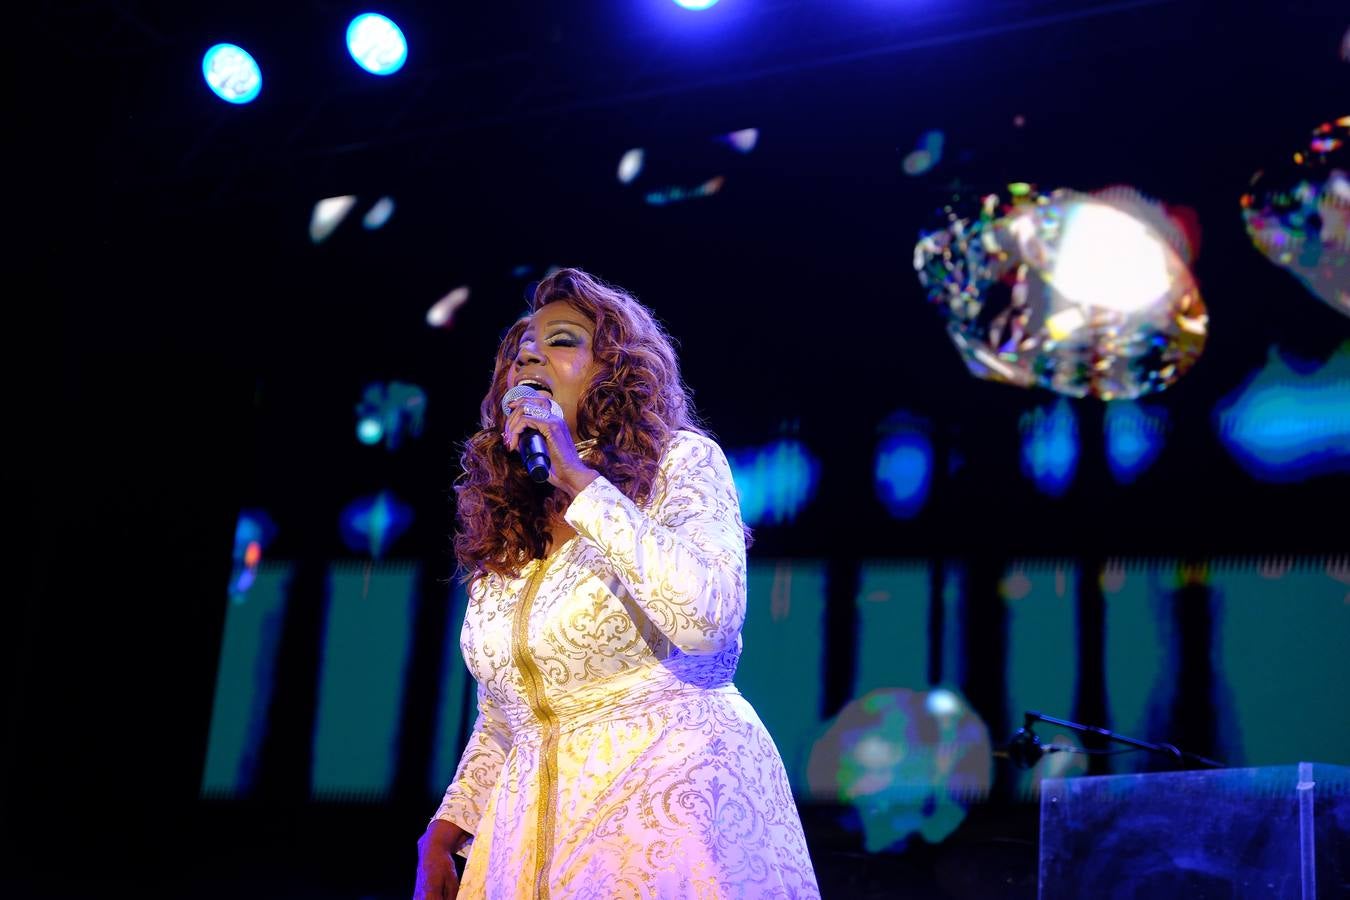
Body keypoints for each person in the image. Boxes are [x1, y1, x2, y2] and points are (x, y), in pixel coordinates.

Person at [414, 268, 820, 899]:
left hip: (666, 808)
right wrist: (449, 827)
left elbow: (707, 620)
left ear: (616, 371)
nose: (530, 354)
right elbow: (508, 711)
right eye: (520, 350)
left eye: (563, 340)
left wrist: (579, 479)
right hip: (528, 839)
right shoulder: (512, 528)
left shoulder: (679, 465)